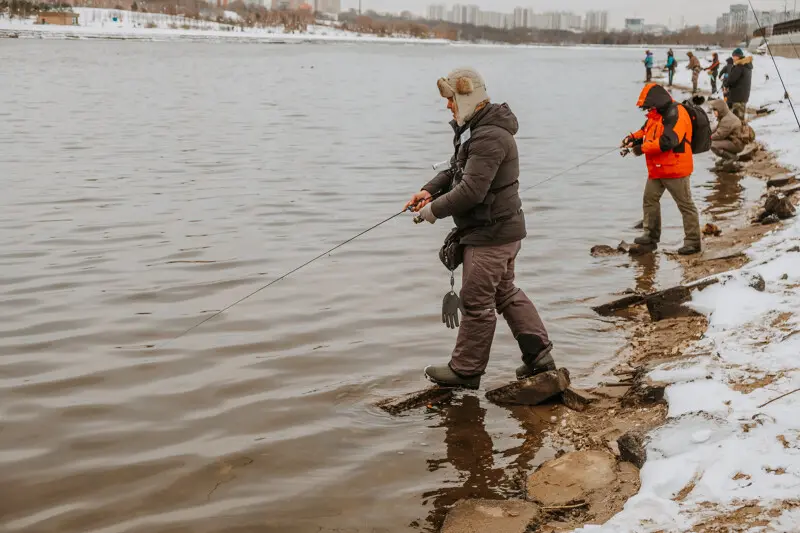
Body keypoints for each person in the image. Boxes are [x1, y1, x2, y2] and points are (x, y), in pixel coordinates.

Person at [405, 67, 556, 389]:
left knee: (475, 302)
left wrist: (432, 211)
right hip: (499, 230)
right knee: (505, 292)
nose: (447, 106)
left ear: (467, 97)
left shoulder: (488, 135)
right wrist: (429, 190)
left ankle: (466, 370)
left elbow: (472, 190)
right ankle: (539, 356)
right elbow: (456, 170)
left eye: (451, 100)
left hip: (491, 233)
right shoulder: (477, 129)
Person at [621, 83, 702, 256]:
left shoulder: (677, 114)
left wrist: (641, 148)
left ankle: (693, 242)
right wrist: (632, 139)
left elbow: (668, 141)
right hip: (657, 169)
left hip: (676, 168)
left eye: (649, 106)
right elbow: (645, 131)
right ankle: (650, 237)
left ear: (657, 101)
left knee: (685, 205)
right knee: (649, 200)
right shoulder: (655, 113)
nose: (647, 109)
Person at [724, 48, 753, 123]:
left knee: (736, 120)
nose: (733, 58)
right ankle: (741, 132)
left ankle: (738, 133)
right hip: (743, 96)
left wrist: (725, 84)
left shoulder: (739, 66)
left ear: (737, 56)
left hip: (737, 96)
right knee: (740, 118)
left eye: (733, 56)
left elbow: (731, 80)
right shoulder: (747, 66)